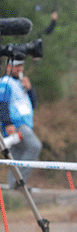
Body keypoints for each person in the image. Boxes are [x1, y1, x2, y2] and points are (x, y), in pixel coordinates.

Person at [0, 58, 43, 188]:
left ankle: (14, 187)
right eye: (16, 66)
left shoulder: (21, 83)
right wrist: (7, 123)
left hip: (26, 124)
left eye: (21, 66)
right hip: (16, 125)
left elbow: (33, 104)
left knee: (17, 156)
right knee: (35, 146)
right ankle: (19, 182)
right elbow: (2, 103)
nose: (20, 69)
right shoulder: (5, 82)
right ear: (8, 67)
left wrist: (30, 90)